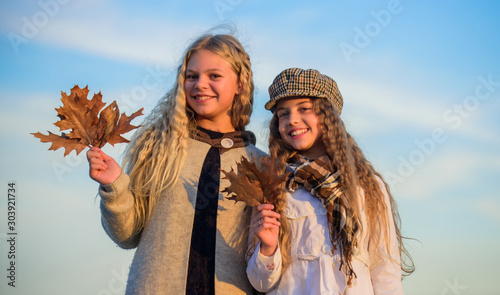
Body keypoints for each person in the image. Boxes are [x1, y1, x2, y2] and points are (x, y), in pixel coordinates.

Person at [86, 33, 265, 294]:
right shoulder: (158, 148)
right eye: (192, 76)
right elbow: (127, 235)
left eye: (214, 76)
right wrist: (114, 186)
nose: (200, 84)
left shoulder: (261, 165)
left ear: (240, 83)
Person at [246, 68, 414, 294]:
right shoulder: (272, 185)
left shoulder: (367, 187)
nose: (292, 120)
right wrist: (268, 247)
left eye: (304, 108)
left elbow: (386, 272)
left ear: (329, 116)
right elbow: (260, 283)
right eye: (283, 114)